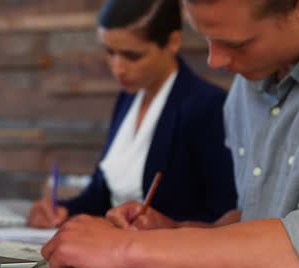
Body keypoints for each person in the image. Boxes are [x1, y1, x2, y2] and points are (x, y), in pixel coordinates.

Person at [41, 0, 299, 268]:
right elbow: (257, 215)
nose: (215, 60)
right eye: (207, 39)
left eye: (238, 43)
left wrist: (128, 247)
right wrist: (178, 231)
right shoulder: (250, 84)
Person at [28, 0, 238, 229]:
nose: (117, 67)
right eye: (110, 52)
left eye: (132, 56)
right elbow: (101, 196)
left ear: (173, 42)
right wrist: (62, 211)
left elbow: (225, 216)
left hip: (166, 258)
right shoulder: (129, 97)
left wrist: (169, 227)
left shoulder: (206, 105)